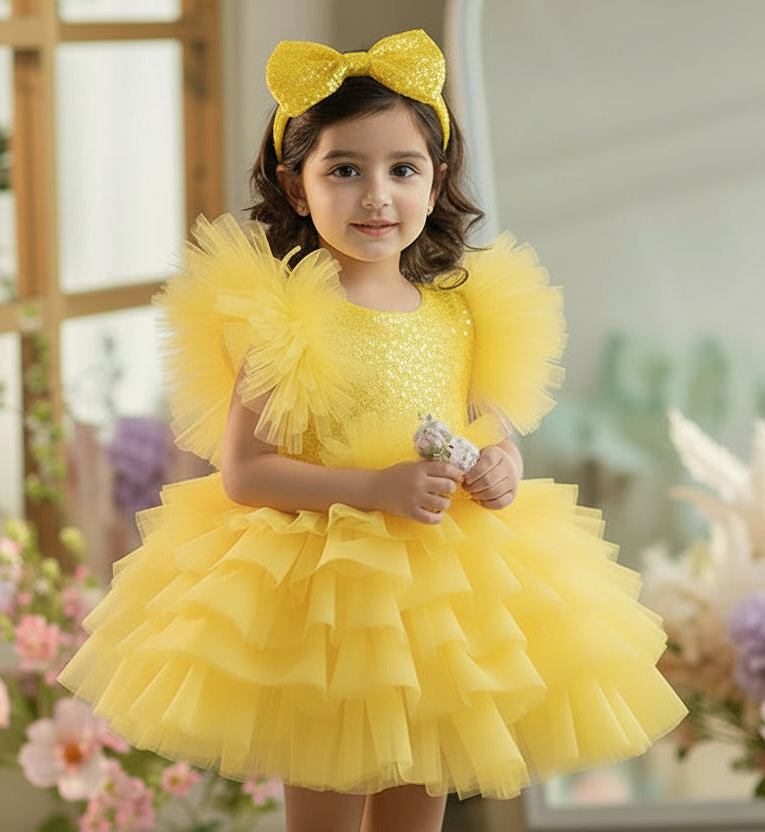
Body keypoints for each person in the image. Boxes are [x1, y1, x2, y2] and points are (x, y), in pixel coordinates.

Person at [59, 29, 686, 832]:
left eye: (403, 170)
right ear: (296, 187)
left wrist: (500, 465)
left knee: (414, 801)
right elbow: (246, 471)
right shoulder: (282, 314)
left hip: (439, 594)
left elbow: (487, 430)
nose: (376, 196)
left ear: (437, 180)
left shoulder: (461, 311)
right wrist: (373, 488)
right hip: (320, 594)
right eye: (344, 170)